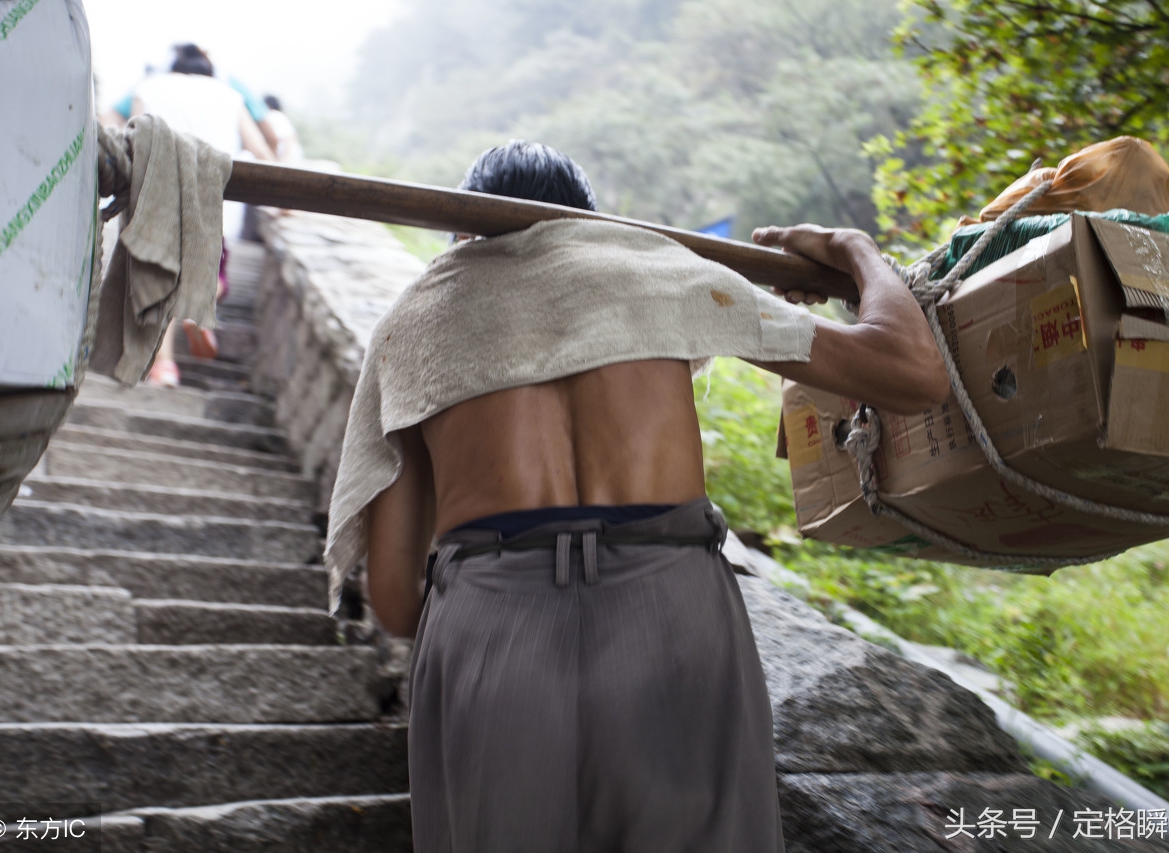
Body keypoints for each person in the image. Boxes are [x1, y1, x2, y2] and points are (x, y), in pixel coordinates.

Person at [349, 140, 948, 851]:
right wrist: (854, 251)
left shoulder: (418, 321)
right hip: (673, 618)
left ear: (460, 237)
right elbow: (913, 371)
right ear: (591, 223)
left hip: (493, 628)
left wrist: (495, 623)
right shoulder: (654, 272)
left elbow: (390, 595)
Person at [127, 43, 275, 385]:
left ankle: (163, 366)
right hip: (213, 205)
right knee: (214, 278)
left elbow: (130, 142)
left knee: (160, 281)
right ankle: (198, 303)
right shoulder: (229, 95)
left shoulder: (149, 88)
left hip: (157, 198)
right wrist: (282, 205)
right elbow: (260, 151)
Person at [261, 94, 304, 163]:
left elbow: (288, 141)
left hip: (286, 160)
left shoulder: (274, 116)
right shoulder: (279, 116)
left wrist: (280, 163)